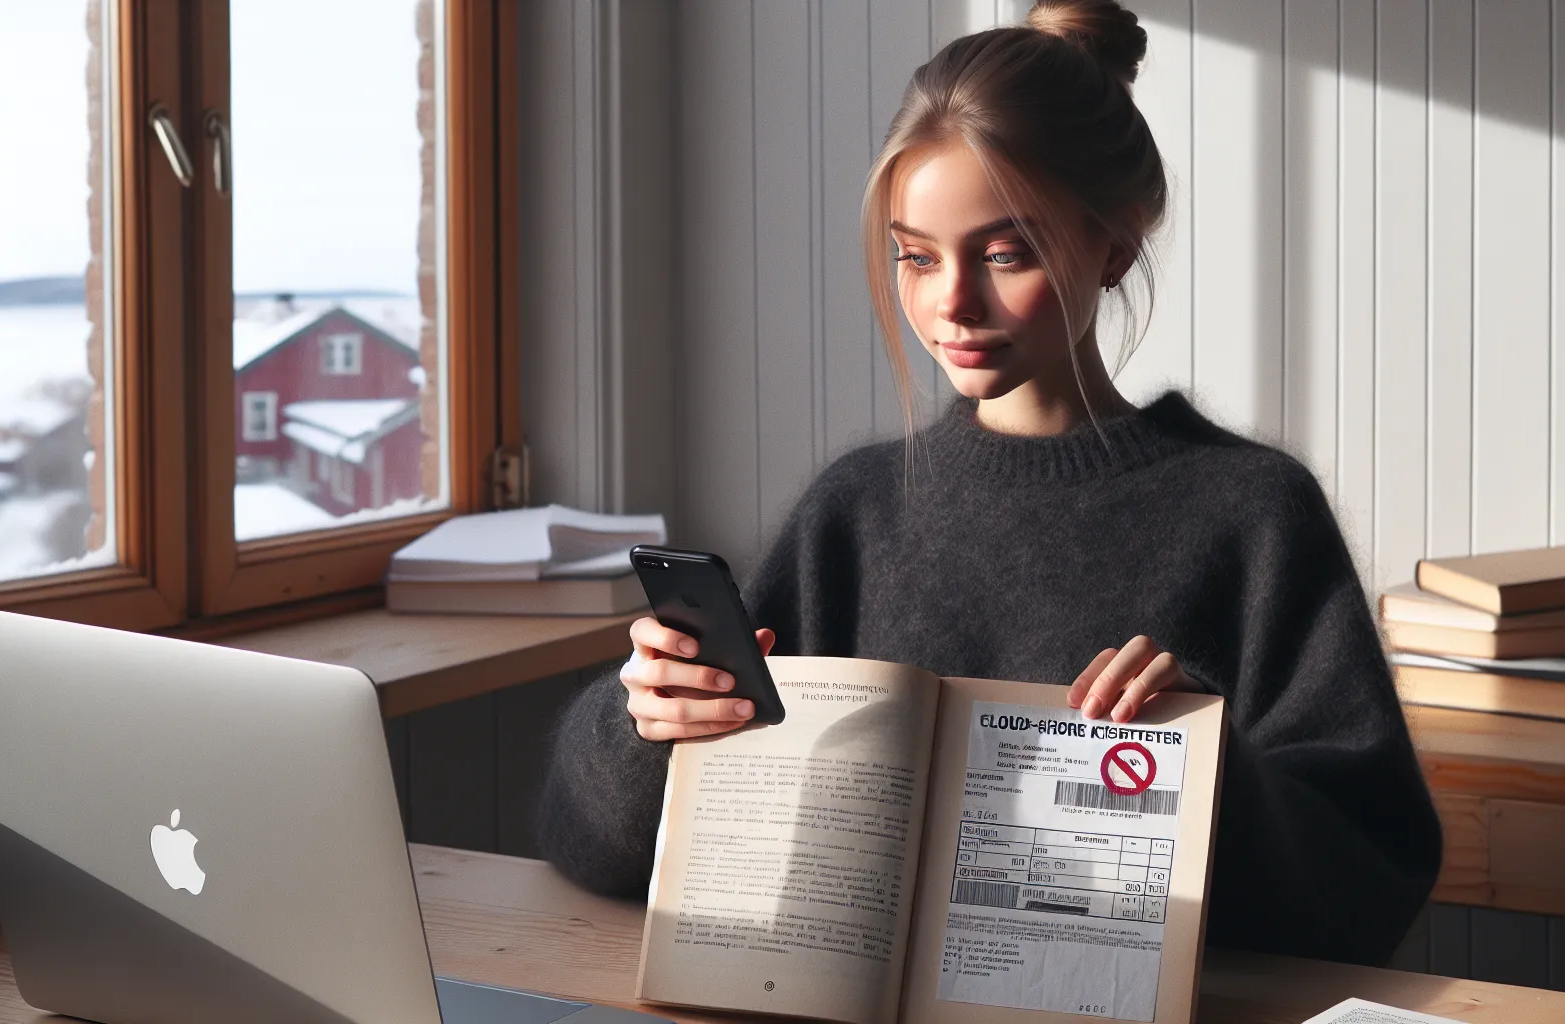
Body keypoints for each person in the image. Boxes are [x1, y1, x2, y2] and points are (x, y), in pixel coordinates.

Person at [536, 0, 1440, 967]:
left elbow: (1373, 887)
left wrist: (1205, 768)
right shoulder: (857, 514)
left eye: (1004, 254)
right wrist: (646, 724)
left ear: (1117, 244)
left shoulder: (1252, 515)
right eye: (915, 258)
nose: (950, 304)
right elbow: (595, 854)